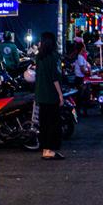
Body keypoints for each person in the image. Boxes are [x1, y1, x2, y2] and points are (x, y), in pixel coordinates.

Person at [35, 32, 65, 160]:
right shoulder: (54, 57)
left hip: (41, 95)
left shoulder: (39, 57)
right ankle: (49, 150)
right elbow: (55, 77)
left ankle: (45, 150)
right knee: (53, 123)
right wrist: (60, 95)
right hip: (51, 95)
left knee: (44, 123)